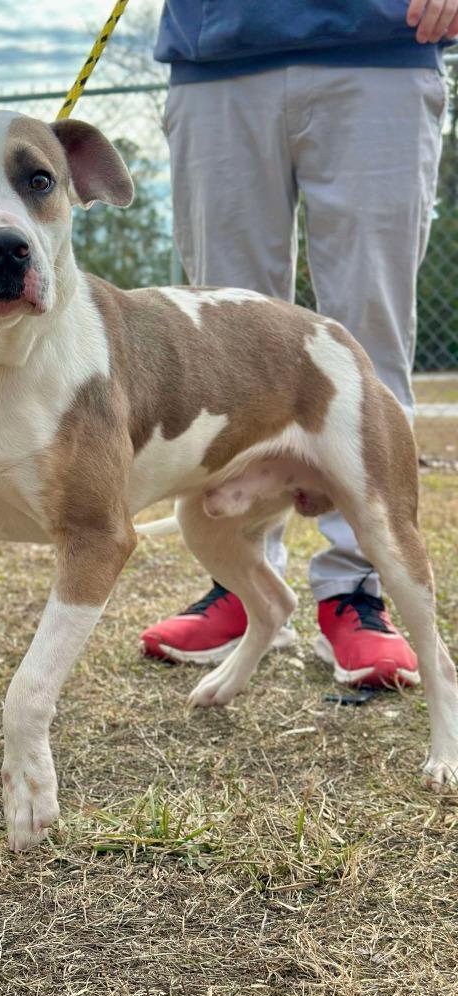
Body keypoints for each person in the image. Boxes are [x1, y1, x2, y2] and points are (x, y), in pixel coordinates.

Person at [141, 0, 456, 686]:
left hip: (380, 43)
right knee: (220, 354)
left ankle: (357, 591)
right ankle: (246, 583)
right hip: (216, 51)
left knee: (370, 340)